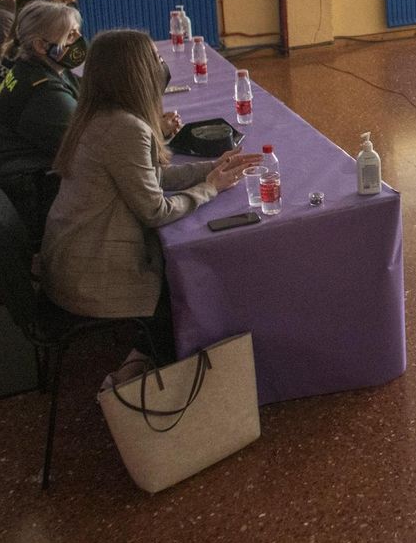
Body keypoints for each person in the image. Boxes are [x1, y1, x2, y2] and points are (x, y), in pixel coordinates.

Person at [41, 29, 260, 360]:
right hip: (93, 275)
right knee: (194, 292)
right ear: (135, 72)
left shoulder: (99, 114)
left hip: (69, 259)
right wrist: (211, 188)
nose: (161, 65)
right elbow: (156, 211)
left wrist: (210, 168)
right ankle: (145, 371)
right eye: (155, 60)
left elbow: (150, 176)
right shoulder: (126, 128)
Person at [0, 0, 86, 243]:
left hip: (11, 178)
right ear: (41, 45)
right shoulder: (42, 91)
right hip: (25, 192)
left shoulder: (32, 68)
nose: (78, 40)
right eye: (70, 35)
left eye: (78, 32)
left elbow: (86, 98)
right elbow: (85, 149)